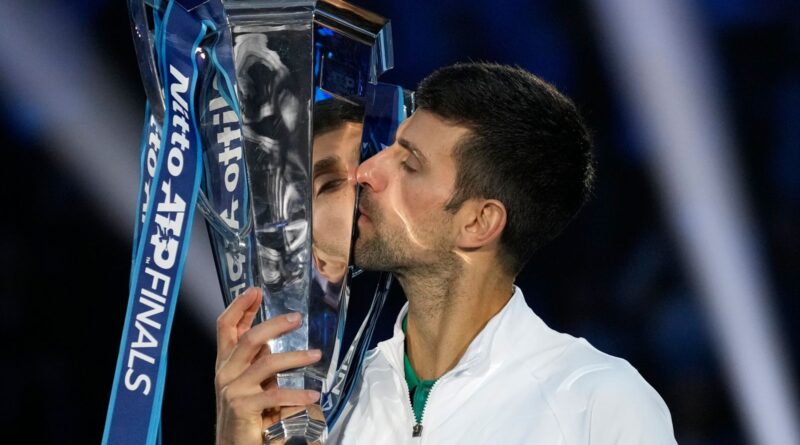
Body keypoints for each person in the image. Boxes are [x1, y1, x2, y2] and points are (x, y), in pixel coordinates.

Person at [214, 62, 677, 444]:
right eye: (389, 149)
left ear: (478, 223)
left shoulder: (597, 403)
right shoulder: (331, 402)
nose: (366, 172)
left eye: (409, 164)